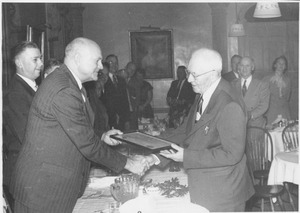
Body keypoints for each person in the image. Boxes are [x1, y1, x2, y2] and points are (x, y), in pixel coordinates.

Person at [9, 37, 150, 212]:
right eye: (97, 60)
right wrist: (128, 163)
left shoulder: (71, 84)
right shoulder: (64, 88)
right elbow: (87, 144)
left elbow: (75, 128)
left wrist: (102, 135)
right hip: (42, 191)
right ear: (77, 58)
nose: (100, 66)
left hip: (52, 187)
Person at [146, 48, 254, 212]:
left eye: (194, 75)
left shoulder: (230, 103)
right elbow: (186, 131)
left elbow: (232, 154)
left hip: (223, 193)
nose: (189, 79)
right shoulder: (203, 93)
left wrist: (185, 156)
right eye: (189, 73)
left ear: (212, 73)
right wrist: (153, 152)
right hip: (205, 186)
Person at [3, 41, 43, 186]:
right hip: (25, 173)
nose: (40, 64)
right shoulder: (15, 94)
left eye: (41, 58)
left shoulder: (31, 88)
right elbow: (28, 137)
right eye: (35, 60)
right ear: (19, 63)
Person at [232, 56, 270, 127]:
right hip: (237, 125)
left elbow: (264, 105)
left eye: (247, 66)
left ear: (252, 68)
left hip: (255, 125)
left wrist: (249, 115)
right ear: (239, 68)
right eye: (242, 65)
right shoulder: (232, 84)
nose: (244, 69)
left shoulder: (262, 85)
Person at [102, 54, 131, 131]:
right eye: (111, 62)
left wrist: (127, 120)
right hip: (108, 121)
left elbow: (125, 102)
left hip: (121, 121)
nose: (114, 65)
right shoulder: (102, 80)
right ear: (105, 64)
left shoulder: (121, 80)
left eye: (116, 63)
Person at [264, 56, 291, 125]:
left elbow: (287, 97)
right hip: (271, 111)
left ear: (285, 67)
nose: (281, 65)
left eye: (283, 64)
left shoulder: (288, 80)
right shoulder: (267, 79)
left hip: (284, 112)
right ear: (275, 65)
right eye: (279, 63)